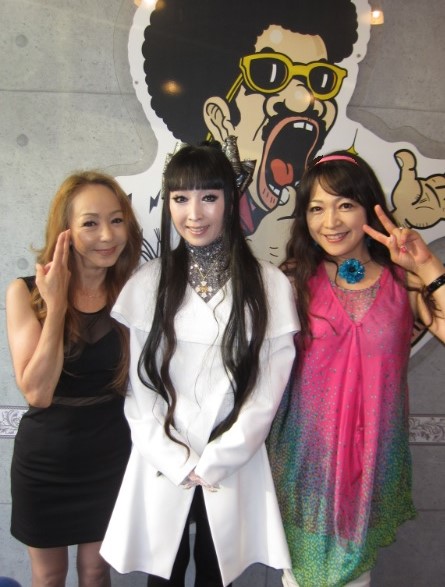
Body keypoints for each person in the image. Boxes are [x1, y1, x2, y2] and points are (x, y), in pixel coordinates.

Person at [99, 141, 300, 586]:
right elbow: (139, 390)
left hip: (233, 461)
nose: (194, 214)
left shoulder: (268, 285)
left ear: (230, 199)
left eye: (209, 197)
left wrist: (218, 459)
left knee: (216, 572)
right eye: (180, 198)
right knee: (163, 575)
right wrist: (174, 458)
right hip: (162, 458)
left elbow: (267, 392)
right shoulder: (148, 282)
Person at [266, 151, 445, 587]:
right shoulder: (291, 281)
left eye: (344, 204)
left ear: (369, 207)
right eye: (316, 208)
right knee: (301, 579)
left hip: (370, 464)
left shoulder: (405, 281)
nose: (330, 221)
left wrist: (428, 267)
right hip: (304, 465)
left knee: (355, 578)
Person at [6, 171, 143, 587]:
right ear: (65, 230)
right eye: (90, 223)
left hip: (111, 454)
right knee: (49, 576)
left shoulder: (136, 292)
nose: (107, 235)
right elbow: (37, 392)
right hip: (45, 460)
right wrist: (57, 305)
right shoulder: (25, 292)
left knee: (96, 570)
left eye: (116, 220)